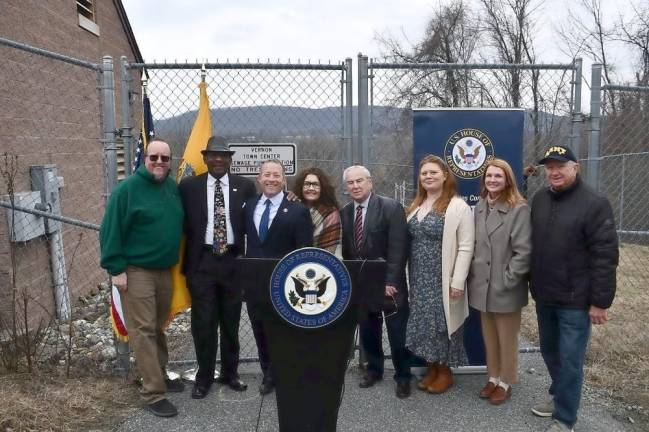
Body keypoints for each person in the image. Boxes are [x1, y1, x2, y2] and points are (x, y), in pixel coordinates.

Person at [529, 145, 618, 432]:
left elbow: (605, 256)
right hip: (545, 295)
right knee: (549, 352)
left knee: (570, 360)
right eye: (550, 167)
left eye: (561, 166)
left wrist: (600, 302)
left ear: (575, 168)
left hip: (575, 301)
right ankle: (559, 397)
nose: (554, 172)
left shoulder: (594, 203)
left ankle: (565, 418)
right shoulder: (540, 199)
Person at [99, 138, 185, 418]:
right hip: (136, 271)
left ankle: (159, 373)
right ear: (144, 158)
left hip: (164, 270)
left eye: (165, 158)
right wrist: (116, 269)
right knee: (143, 330)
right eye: (154, 157)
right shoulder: (127, 190)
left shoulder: (172, 188)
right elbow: (110, 231)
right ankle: (153, 392)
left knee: (158, 327)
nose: (159, 162)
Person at [178, 136, 257, 399]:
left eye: (223, 156)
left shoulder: (244, 186)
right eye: (213, 155)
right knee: (204, 323)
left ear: (230, 159)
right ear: (205, 159)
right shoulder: (189, 187)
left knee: (231, 322)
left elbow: (258, 214)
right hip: (202, 262)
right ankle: (204, 377)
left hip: (233, 262)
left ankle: (230, 373)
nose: (219, 160)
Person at [340, 165, 412, 399]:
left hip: (389, 284)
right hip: (362, 285)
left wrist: (391, 280)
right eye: (350, 183)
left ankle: (403, 376)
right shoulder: (345, 212)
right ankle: (374, 370)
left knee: (397, 332)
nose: (355, 186)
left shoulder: (391, 208)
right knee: (369, 331)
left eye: (359, 181)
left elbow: (398, 248)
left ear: (370, 182)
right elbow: (350, 251)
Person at [243, 159, 314, 394]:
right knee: (259, 330)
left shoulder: (298, 210)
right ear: (259, 179)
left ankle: (286, 373)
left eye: (276, 175)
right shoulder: (249, 206)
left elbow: (305, 251)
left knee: (285, 332)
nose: (271, 179)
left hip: (285, 285)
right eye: (267, 175)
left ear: (284, 180)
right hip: (254, 284)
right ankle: (268, 373)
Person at [405, 155, 474, 395]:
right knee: (425, 325)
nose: (428, 177)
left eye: (433, 172)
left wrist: (458, 280)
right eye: (424, 173)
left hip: (443, 278)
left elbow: (466, 246)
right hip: (418, 277)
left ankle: (445, 372)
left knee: (443, 325)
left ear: (445, 175)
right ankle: (432, 368)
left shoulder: (458, 206)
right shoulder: (415, 205)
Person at [468, 158, 532, 405]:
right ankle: (493, 376)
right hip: (482, 286)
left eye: (498, 176)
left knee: (507, 337)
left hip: (505, 287)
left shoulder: (519, 208)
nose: (493, 180)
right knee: (490, 336)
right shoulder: (481, 205)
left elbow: (523, 252)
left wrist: (507, 280)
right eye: (489, 176)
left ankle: (506, 381)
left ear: (508, 180)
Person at [291, 167, 342, 257]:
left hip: (322, 263)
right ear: (300, 187)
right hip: (293, 261)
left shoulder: (330, 213)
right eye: (307, 184)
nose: (311, 188)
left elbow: (330, 251)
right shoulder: (293, 208)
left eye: (315, 184)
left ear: (322, 188)